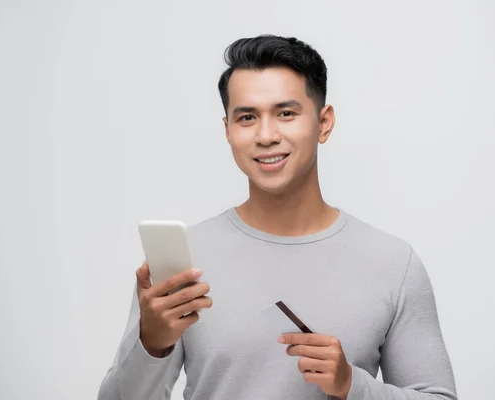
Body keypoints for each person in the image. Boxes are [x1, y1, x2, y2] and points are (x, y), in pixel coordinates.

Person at [98, 34, 457, 400]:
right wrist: (152, 344)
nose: (266, 135)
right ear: (228, 131)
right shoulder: (185, 262)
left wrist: (353, 385)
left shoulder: (393, 264)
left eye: (286, 113)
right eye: (247, 117)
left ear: (324, 122)